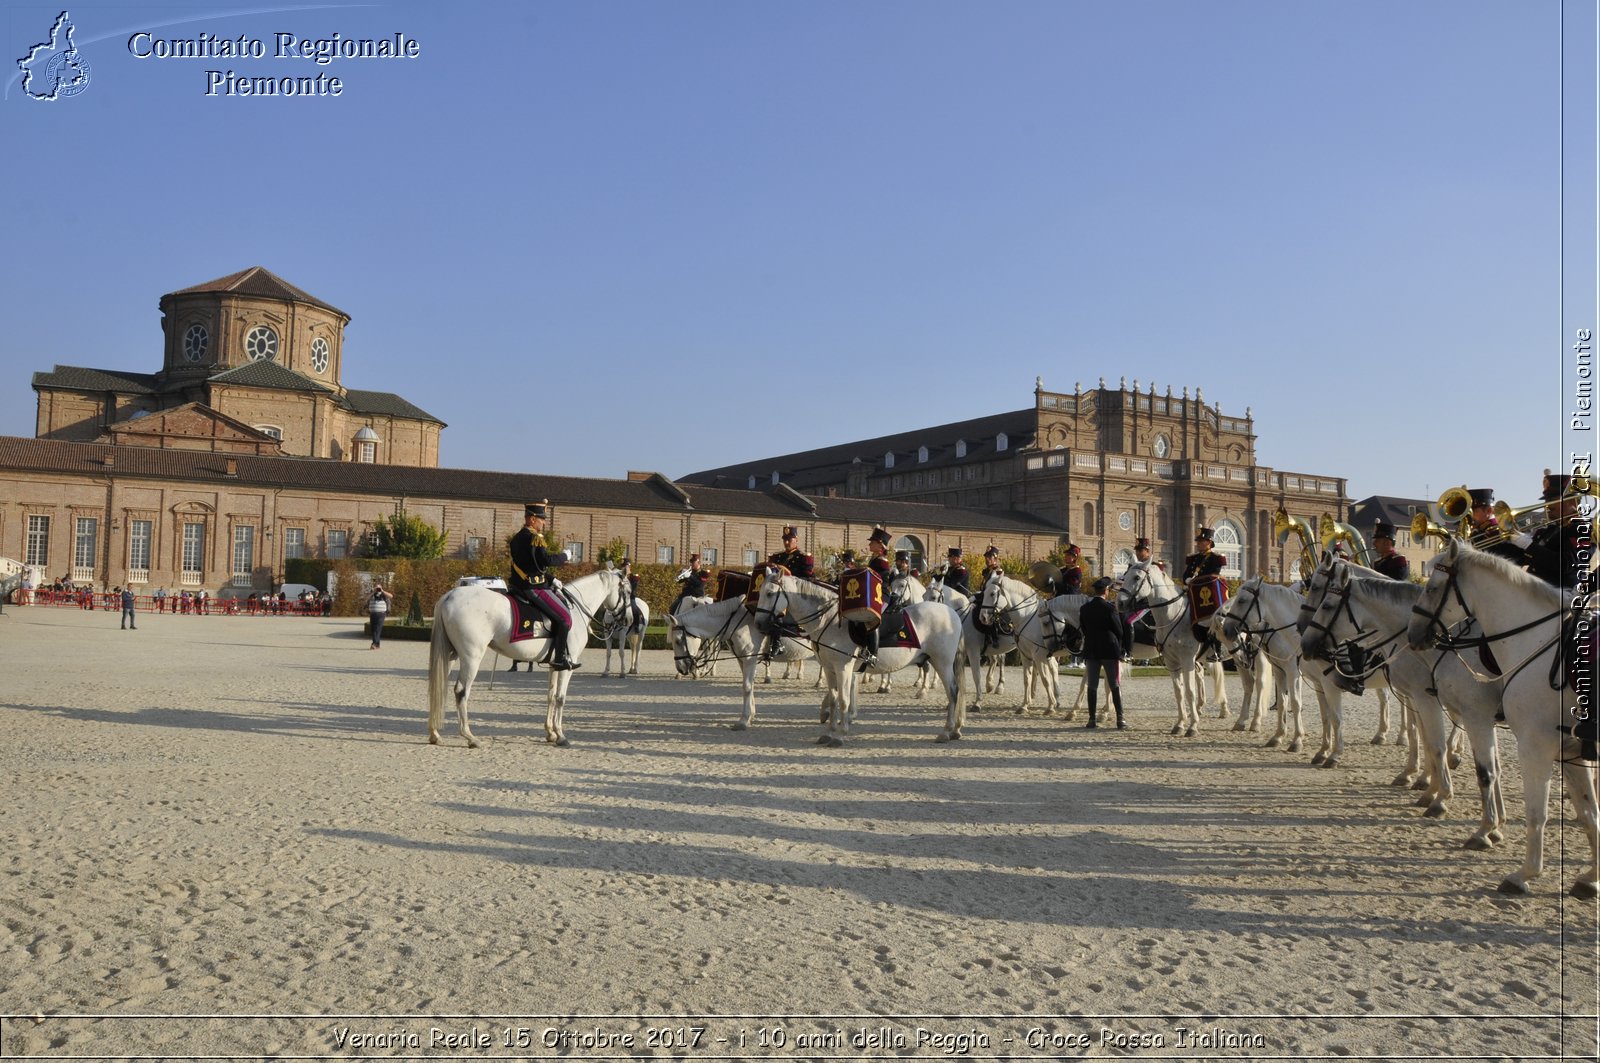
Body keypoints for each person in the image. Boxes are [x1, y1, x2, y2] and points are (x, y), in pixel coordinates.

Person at [508, 500, 579, 670]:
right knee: (565, 618)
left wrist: (551, 578)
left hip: (520, 585)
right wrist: (564, 556)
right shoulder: (535, 538)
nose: (544, 523)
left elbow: (532, 566)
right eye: (542, 519)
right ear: (532, 519)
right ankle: (560, 658)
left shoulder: (517, 538)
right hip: (534, 588)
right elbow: (547, 560)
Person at [1517, 473, 1588, 589]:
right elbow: (1522, 557)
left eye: (1552, 499)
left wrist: (1528, 545)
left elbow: (1565, 564)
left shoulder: (1583, 530)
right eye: (1546, 500)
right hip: (1538, 595)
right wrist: (1509, 538)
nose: (1547, 505)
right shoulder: (1549, 529)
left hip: (1563, 599)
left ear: (1572, 501)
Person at [1079, 576, 1133, 729]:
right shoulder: (1110, 608)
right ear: (1106, 591)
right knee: (1114, 685)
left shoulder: (1084, 608)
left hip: (1091, 650)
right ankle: (1120, 719)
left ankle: (1091, 719)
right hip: (1109, 650)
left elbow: (1084, 629)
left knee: (1092, 686)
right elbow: (1119, 630)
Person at [1182, 527, 1227, 662]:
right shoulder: (1193, 558)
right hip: (1193, 596)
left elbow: (1214, 576)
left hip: (1208, 598)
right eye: (1198, 541)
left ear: (1209, 542)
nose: (1199, 543)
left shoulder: (1215, 558)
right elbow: (1185, 575)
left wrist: (1194, 580)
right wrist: (1186, 580)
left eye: (1202, 541)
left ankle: (1217, 651)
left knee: (1213, 621)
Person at [857, 525, 895, 671]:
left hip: (882, 596)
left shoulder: (882, 561)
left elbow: (881, 579)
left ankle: (873, 653)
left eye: (872, 542)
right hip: (871, 595)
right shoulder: (874, 559)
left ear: (880, 545)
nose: (869, 544)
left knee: (872, 618)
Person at [1465, 488, 1528, 563]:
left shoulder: (1497, 532)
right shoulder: (1476, 531)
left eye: (1473, 511)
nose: (1468, 515)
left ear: (1489, 511)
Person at [367, 584, 393, 649]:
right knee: (373, 629)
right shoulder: (372, 594)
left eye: (379, 587)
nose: (378, 589)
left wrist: (382, 591)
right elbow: (366, 598)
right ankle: (377, 644)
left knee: (377, 629)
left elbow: (391, 596)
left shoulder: (384, 594)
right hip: (372, 613)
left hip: (381, 613)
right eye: (377, 587)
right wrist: (373, 592)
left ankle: (374, 644)